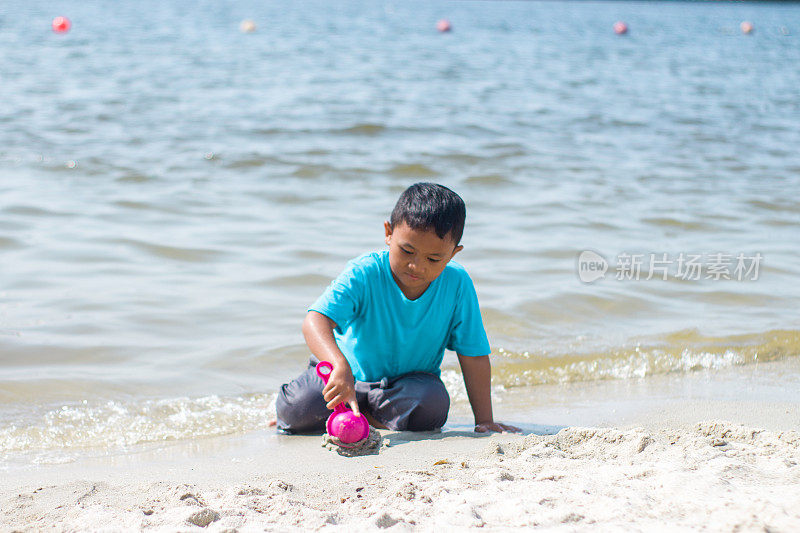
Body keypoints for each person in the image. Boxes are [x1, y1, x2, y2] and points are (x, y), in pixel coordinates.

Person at [275, 182, 520, 435]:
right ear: (388, 232)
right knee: (298, 407)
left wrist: (485, 419)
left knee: (433, 407)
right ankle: (341, 410)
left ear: (453, 254)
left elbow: (473, 354)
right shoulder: (364, 272)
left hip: (403, 388)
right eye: (407, 250)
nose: (416, 266)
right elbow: (315, 321)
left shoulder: (457, 284)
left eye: (433, 259)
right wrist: (339, 364)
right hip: (342, 376)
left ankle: (365, 416)